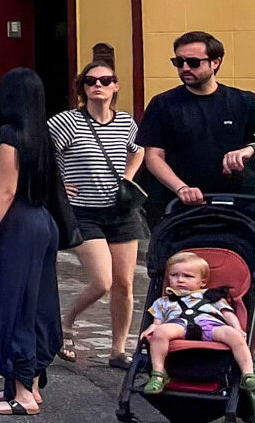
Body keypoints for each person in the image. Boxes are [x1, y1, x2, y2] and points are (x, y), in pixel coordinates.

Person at [0, 67, 68, 416]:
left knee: (10, 306)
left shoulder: (9, 134)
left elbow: (7, 189)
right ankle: (28, 385)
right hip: (43, 222)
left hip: (17, 226)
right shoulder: (41, 134)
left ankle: (23, 395)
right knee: (37, 302)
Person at [48, 60, 143, 368]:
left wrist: (127, 178)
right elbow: (42, 154)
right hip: (83, 213)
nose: (98, 86)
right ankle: (66, 321)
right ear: (83, 88)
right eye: (91, 81)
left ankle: (118, 350)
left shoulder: (126, 122)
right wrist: (59, 185)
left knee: (125, 285)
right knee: (102, 281)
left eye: (105, 80)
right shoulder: (65, 122)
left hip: (121, 212)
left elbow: (138, 149)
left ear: (115, 85)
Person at [139, 31, 255, 215]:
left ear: (215, 62)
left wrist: (248, 149)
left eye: (193, 62)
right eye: (179, 62)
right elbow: (153, 157)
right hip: (179, 205)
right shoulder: (163, 104)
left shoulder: (243, 101)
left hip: (238, 203)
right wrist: (182, 189)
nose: (185, 68)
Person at [139, 251, 255, 395]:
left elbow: (228, 314)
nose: (180, 280)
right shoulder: (163, 301)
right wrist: (152, 328)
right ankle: (158, 372)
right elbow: (158, 322)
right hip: (179, 325)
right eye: (174, 275)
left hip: (211, 325)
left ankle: (248, 373)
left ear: (202, 282)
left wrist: (237, 328)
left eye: (187, 276)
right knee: (160, 332)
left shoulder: (212, 296)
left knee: (234, 336)